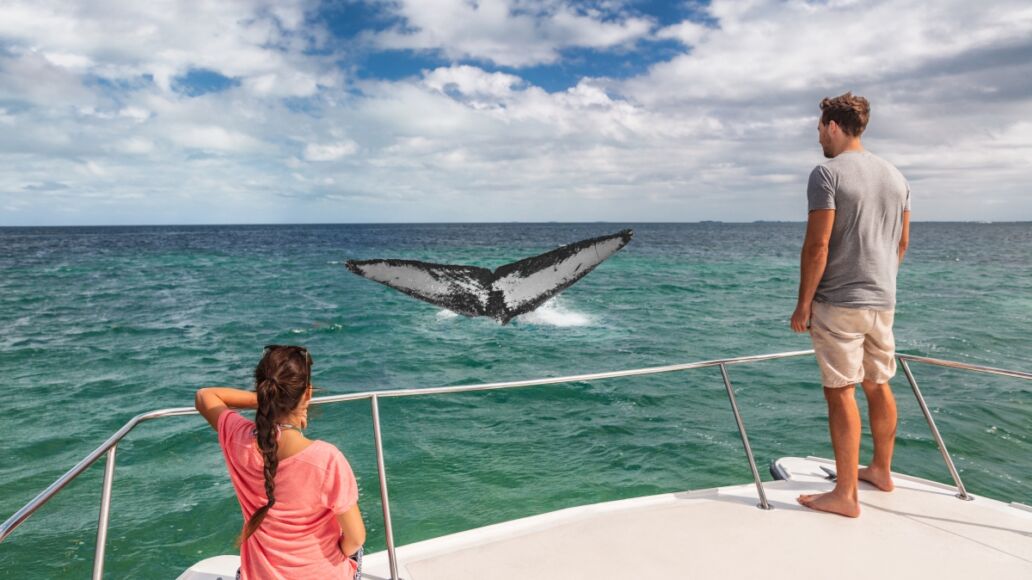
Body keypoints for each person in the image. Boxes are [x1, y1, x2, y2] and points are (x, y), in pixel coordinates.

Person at [790, 92, 911, 518]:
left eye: (820, 128)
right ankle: (881, 470)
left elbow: (818, 245)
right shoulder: (896, 176)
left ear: (834, 126)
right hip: (883, 299)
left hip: (840, 301)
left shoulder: (826, 173)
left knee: (840, 391)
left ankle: (845, 495)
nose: (818, 136)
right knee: (878, 384)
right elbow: (901, 242)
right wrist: (881, 280)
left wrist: (803, 303)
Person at [195, 345, 366, 578]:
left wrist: (267, 402)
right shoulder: (326, 459)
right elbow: (355, 539)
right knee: (356, 550)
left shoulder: (237, 439)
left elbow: (205, 396)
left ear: (264, 391)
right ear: (307, 394)